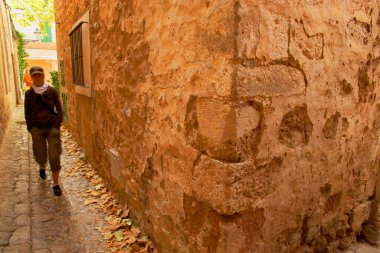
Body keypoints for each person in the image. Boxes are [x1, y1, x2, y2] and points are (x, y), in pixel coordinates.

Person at [24, 66, 63, 196]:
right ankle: (42, 166)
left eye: (39, 74)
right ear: (31, 77)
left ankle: (56, 184)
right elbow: (27, 112)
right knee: (41, 154)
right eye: (34, 75)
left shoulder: (51, 91)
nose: (37, 77)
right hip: (37, 129)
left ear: (43, 75)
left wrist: (56, 125)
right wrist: (31, 128)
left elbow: (59, 108)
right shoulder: (29, 94)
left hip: (52, 127)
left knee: (54, 154)